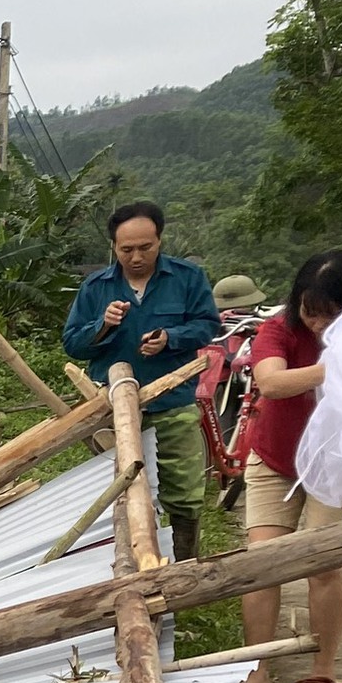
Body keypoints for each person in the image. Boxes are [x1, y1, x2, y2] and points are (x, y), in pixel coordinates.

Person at [243, 250, 342, 683]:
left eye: (329, 315)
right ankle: (258, 671)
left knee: (323, 567)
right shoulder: (278, 330)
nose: (317, 324)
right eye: (310, 313)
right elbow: (271, 382)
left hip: (341, 466)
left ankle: (322, 674)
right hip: (274, 460)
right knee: (262, 564)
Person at [62, 199, 223, 555]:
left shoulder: (187, 278)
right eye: (127, 249)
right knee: (117, 487)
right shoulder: (95, 287)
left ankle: (185, 566)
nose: (136, 257)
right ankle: (124, 561)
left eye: (145, 248)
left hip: (173, 403)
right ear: (114, 247)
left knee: (183, 489)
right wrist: (102, 325)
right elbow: (72, 344)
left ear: (160, 241)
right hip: (112, 409)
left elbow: (208, 326)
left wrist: (170, 339)